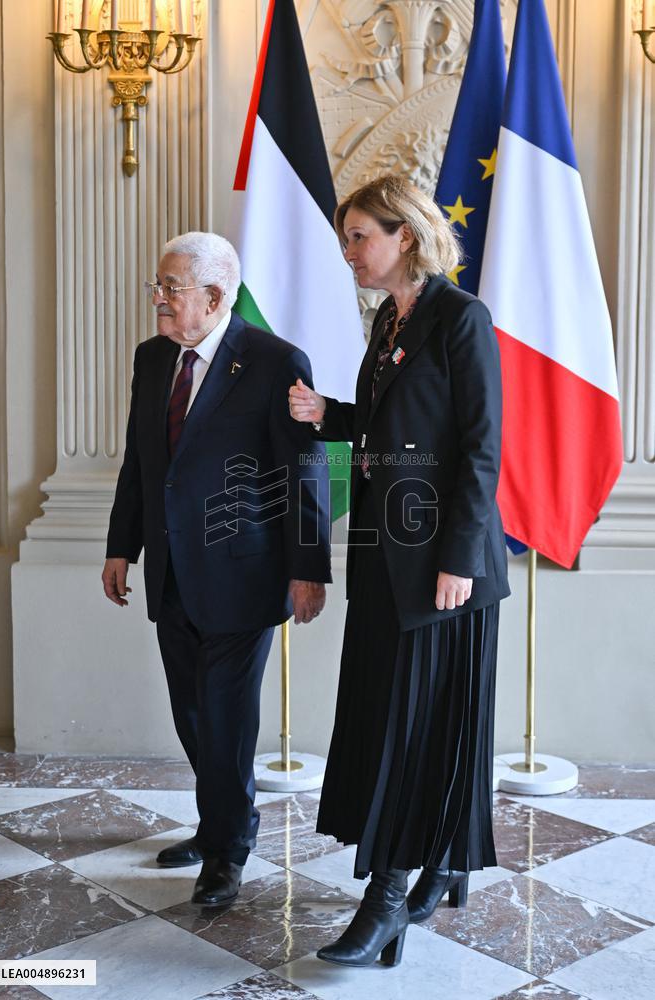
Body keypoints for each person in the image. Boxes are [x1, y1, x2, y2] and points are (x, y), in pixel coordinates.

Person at [289, 174, 510, 968]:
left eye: (360, 236)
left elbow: (480, 450)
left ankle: (386, 900)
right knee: (391, 716)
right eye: (348, 236)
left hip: (447, 571)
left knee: (415, 729)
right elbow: (397, 435)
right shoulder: (389, 318)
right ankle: (441, 861)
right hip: (384, 558)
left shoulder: (461, 318)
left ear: (404, 236)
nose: (349, 250)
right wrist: (332, 417)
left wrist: (457, 559)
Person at [103, 231, 331, 909]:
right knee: (193, 713)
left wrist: (308, 567)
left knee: (228, 718)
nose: (159, 300)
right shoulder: (152, 360)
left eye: (171, 289)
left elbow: (306, 468)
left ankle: (228, 850)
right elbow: (141, 463)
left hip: (244, 571)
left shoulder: (274, 361)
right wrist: (122, 547)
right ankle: (223, 821)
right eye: (159, 285)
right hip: (171, 569)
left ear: (215, 294)